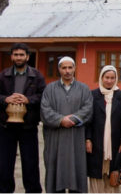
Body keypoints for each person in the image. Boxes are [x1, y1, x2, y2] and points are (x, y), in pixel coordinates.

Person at [41, 56, 93, 193]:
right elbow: (45, 110)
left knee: (77, 171)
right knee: (55, 171)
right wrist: (60, 120)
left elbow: (88, 108)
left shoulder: (84, 89)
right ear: (59, 69)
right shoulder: (49, 89)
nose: (67, 71)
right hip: (55, 137)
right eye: (64, 68)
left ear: (75, 68)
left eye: (70, 67)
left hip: (76, 137)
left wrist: (74, 119)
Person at [0, 43, 45, 193]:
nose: (19, 57)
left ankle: (32, 191)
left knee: (30, 163)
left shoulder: (37, 76)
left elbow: (43, 97)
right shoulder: (3, 75)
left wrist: (28, 100)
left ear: (27, 56)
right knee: (4, 164)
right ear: (11, 56)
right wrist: (5, 99)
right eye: (16, 54)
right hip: (6, 127)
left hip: (28, 126)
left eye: (21, 55)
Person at [86, 65, 121, 193]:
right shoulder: (92, 95)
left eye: (112, 78)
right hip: (96, 142)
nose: (109, 80)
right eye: (107, 77)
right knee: (96, 175)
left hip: (115, 143)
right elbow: (88, 119)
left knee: (113, 176)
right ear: (101, 78)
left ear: (116, 79)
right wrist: (88, 139)